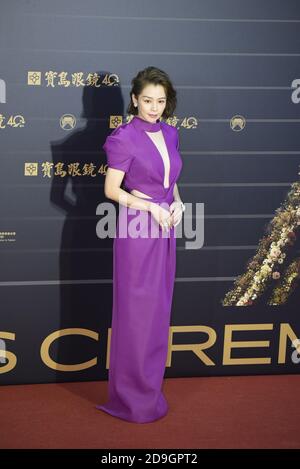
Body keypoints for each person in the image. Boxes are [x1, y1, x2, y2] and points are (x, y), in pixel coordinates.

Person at [96, 66, 185, 423]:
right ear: (134, 99)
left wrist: (178, 201)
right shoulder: (124, 137)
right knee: (136, 315)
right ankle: (129, 399)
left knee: (157, 313)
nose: (153, 107)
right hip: (137, 228)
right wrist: (150, 206)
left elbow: (170, 179)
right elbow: (111, 190)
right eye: (147, 100)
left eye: (160, 101)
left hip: (166, 225)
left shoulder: (172, 133)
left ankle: (150, 393)